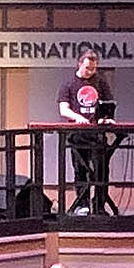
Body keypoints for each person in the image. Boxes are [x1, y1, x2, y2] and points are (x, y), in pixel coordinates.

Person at [56, 50, 116, 216]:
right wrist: (78, 118)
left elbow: (108, 105)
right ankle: (82, 205)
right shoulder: (68, 84)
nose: (91, 72)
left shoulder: (100, 82)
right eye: (88, 68)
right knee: (80, 169)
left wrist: (105, 119)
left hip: (97, 134)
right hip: (78, 134)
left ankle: (99, 205)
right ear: (80, 64)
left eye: (93, 69)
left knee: (102, 170)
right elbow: (63, 110)